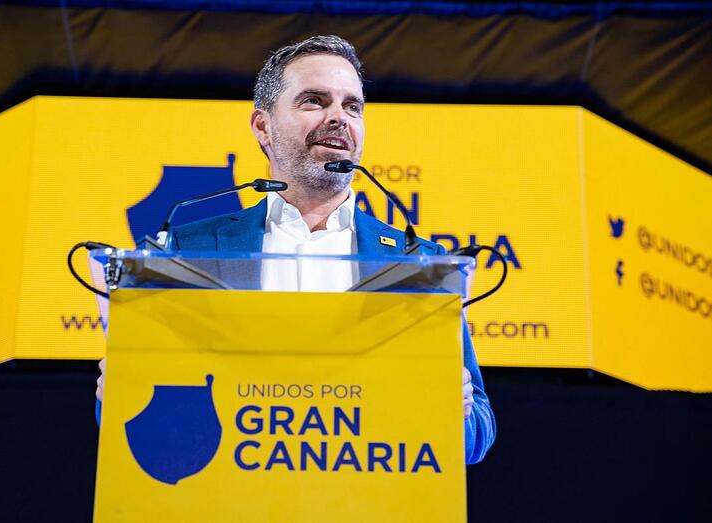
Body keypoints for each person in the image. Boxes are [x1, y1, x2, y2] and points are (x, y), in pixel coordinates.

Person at [96, 35, 495, 464]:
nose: (338, 117)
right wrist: (122, 391)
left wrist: (455, 412)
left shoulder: (419, 262)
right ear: (263, 126)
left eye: (352, 106)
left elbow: (475, 438)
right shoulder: (188, 249)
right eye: (314, 101)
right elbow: (140, 420)